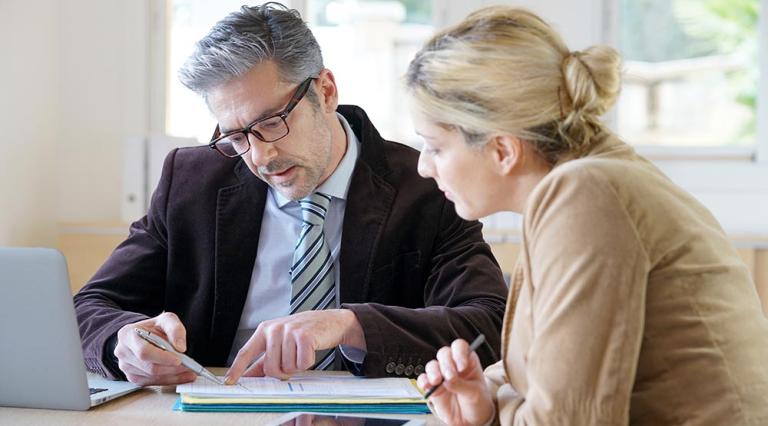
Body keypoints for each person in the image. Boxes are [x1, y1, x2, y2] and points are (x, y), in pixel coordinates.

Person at [73, 2, 508, 386]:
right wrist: (122, 341)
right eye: (237, 135)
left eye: (272, 122)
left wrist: (352, 325)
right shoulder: (191, 181)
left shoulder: (427, 186)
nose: (261, 155)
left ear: (326, 91)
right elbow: (88, 307)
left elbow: (489, 326)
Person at [406, 6, 768, 426]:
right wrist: (484, 405)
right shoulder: (585, 180)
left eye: (434, 147)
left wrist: (494, 407)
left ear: (502, 150)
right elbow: (543, 376)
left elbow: (568, 420)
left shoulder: (587, 195)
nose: (423, 167)